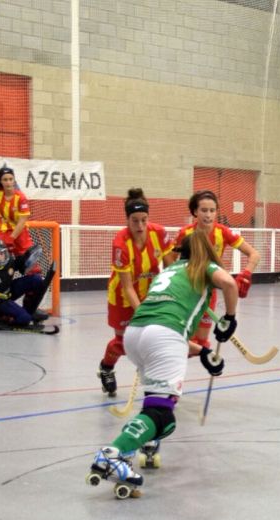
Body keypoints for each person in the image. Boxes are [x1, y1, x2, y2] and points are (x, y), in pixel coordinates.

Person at [87, 230, 239, 498]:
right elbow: (230, 283)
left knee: (154, 405)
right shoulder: (202, 265)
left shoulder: (169, 271)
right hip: (162, 336)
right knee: (163, 416)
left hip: (136, 335)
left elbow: (168, 333)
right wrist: (231, 318)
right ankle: (113, 453)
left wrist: (203, 354)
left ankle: (136, 448)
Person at [97, 188, 171, 397]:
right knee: (123, 342)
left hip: (151, 294)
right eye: (135, 221)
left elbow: (171, 269)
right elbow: (127, 286)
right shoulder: (121, 244)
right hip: (122, 298)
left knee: (154, 339)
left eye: (144, 220)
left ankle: (157, 381)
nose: (140, 226)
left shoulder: (159, 234)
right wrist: (142, 313)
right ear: (127, 219)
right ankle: (106, 368)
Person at [164, 190, 260, 350]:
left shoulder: (223, 232)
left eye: (212, 210)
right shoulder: (185, 233)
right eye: (203, 210)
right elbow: (169, 259)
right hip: (187, 290)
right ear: (195, 211)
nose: (208, 215)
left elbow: (254, 254)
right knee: (182, 341)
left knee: (200, 343)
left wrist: (246, 273)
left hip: (209, 291)